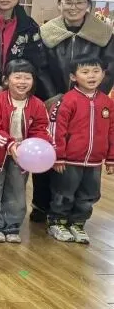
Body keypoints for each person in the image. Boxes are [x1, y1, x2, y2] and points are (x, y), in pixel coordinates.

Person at [34, 0, 114, 222]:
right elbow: (40, 67)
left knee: (81, 156)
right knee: (50, 150)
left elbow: (109, 68)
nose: (74, 7)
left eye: (79, 2)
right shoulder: (47, 32)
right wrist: (53, 97)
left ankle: (75, 213)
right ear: (59, 5)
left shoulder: (104, 34)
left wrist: (90, 96)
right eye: (68, 3)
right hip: (53, 100)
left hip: (89, 104)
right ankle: (43, 205)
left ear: (88, 5)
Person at [0, 60, 49, 243]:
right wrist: (10, 144)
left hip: (22, 157)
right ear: (6, 80)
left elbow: (42, 129)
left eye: (27, 78)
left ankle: (12, 226)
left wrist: (34, 146)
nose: (22, 82)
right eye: (17, 77)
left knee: (17, 191)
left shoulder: (38, 104)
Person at [47, 57, 114, 244]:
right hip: (69, 160)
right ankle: (57, 222)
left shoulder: (107, 102)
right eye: (85, 72)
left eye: (96, 71)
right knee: (64, 193)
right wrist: (58, 156)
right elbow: (56, 129)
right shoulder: (67, 100)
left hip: (94, 161)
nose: (91, 76)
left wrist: (111, 158)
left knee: (89, 194)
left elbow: (111, 131)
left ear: (103, 74)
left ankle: (78, 223)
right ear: (73, 76)